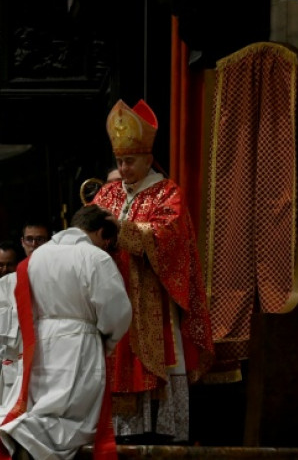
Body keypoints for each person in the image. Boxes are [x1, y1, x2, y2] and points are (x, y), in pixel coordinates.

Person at [91, 100, 213, 442]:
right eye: (119, 161)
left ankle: (159, 437)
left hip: (151, 301)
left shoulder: (167, 193)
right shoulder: (107, 194)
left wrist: (121, 229)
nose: (124, 168)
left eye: (130, 161)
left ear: (148, 158)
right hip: (111, 299)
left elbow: (168, 237)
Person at [0, 205, 132, 460]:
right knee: (72, 417)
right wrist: (108, 340)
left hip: (41, 345)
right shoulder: (95, 257)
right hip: (79, 343)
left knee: (40, 407)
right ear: (101, 232)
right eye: (107, 241)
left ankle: (14, 436)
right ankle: (21, 436)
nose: (106, 247)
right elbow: (116, 311)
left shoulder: (36, 258)